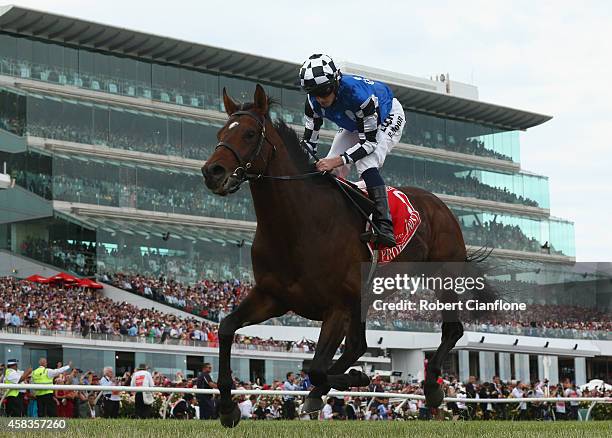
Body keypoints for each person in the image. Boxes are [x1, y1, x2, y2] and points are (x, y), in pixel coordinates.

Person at [299, 53, 406, 248]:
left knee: (365, 163)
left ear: (336, 81)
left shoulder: (359, 96)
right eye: (314, 93)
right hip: (356, 122)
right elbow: (308, 144)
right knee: (329, 167)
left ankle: (384, 224)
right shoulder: (312, 102)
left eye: (324, 91)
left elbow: (370, 144)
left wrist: (337, 161)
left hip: (386, 115)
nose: (320, 98)